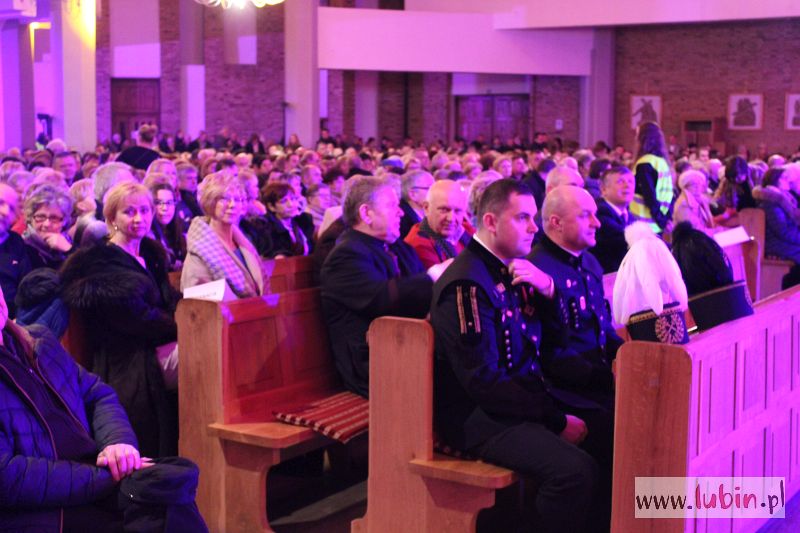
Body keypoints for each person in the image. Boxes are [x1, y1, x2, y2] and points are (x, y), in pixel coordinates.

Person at [430, 179, 606, 533]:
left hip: (518, 400)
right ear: (491, 222)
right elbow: (484, 382)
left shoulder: (512, 268)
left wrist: (549, 291)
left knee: (607, 429)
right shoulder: (467, 283)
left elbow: (553, 343)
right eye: (522, 217)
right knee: (574, 472)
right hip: (481, 419)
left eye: (533, 217)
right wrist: (555, 420)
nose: (533, 228)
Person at [60, 182, 180, 458]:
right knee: (202, 354)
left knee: (214, 348)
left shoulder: (149, 253)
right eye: (129, 212)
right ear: (112, 217)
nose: (139, 218)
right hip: (127, 360)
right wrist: (184, 326)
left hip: (155, 344)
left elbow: (168, 300)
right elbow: (138, 321)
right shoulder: (102, 264)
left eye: (145, 210)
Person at [321, 176, 443, 397]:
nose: (401, 212)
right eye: (392, 206)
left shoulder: (397, 247)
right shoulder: (345, 256)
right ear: (366, 213)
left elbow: (422, 292)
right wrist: (433, 276)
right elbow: (382, 300)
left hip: (408, 343)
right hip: (374, 361)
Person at [529, 185, 622, 410]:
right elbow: (550, 350)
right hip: (564, 389)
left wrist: (630, 358)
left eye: (595, 214)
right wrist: (607, 380)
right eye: (585, 215)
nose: (596, 223)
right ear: (556, 223)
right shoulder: (537, 270)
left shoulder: (590, 262)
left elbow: (604, 327)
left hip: (599, 375)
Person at [182, 172, 264, 297]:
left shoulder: (242, 242)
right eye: (224, 199)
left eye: (237, 199)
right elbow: (200, 301)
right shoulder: (200, 250)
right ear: (209, 202)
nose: (232, 205)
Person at [404, 179, 473, 268]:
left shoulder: (466, 229)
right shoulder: (418, 244)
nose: (451, 218)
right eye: (444, 210)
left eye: (457, 211)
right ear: (426, 208)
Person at [630, 121, 675, 233]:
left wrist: (662, 221)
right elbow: (670, 195)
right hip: (657, 221)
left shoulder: (644, 163)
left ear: (642, 139)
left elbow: (649, 196)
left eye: (637, 135)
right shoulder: (662, 162)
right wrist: (666, 219)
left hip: (643, 223)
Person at [590, 164, 636, 273]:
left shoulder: (630, 216)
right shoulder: (598, 213)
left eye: (630, 182)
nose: (627, 186)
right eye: (620, 182)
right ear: (603, 189)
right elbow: (624, 240)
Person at [22, 184, 74, 270]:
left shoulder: (69, 243)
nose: (47, 224)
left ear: (64, 221)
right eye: (41, 217)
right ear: (30, 218)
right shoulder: (22, 249)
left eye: (54, 218)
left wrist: (69, 250)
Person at [0, 183, 32, 319]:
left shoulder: (16, 242)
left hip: (13, 320)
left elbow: (26, 287)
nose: (6, 212)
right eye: (0, 203)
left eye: (12, 208)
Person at [145, 177, 187, 271]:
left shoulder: (181, 229)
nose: (164, 208)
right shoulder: (147, 234)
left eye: (169, 203)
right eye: (158, 203)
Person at [672, 169, 715, 234]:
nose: (698, 188)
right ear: (685, 187)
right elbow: (698, 232)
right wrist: (719, 231)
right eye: (694, 185)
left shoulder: (698, 200)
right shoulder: (684, 205)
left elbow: (710, 225)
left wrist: (707, 209)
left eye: (700, 185)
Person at [399, 170, 434, 239]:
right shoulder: (402, 222)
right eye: (430, 188)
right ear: (413, 195)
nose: (436, 193)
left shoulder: (430, 214)